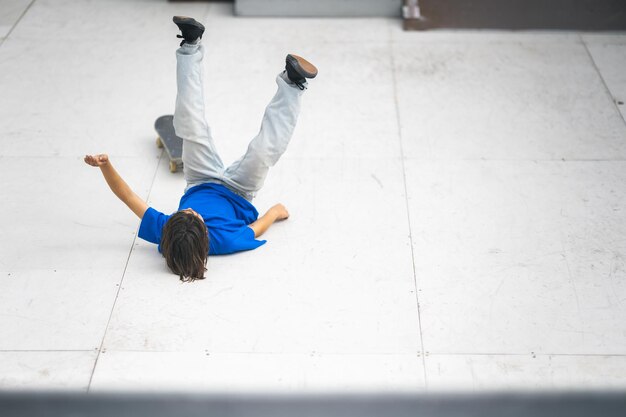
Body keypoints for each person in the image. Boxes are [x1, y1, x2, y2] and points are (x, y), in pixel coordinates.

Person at [84, 16, 317, 282]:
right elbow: (256, 227)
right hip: (240, 191)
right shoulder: (226, 241)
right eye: (195, 216)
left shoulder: (168, 230)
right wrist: (275, 212)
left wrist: (106, 166)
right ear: (205, 235)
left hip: (199, 178)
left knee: (188, 123)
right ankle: (293, 82)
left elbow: (127, 197)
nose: (192, 210)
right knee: (265, 150)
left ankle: (190, 44)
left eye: (184, 212)